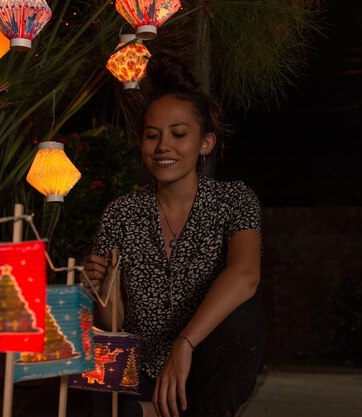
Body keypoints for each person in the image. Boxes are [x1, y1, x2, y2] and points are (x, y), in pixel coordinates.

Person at [80, 51, 265, 417]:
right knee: (80, 379)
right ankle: (151, 410)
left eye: (179, 134)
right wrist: (101, 291)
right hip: (139, 367)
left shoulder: (234, 199)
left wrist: (185, 344)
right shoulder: (121, 212)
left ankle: (156, 412)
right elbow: (112, 323)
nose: (163, 146)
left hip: (203, 363)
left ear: (205, 144)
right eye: (152, 136)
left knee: (244, 322)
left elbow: (245, 275)